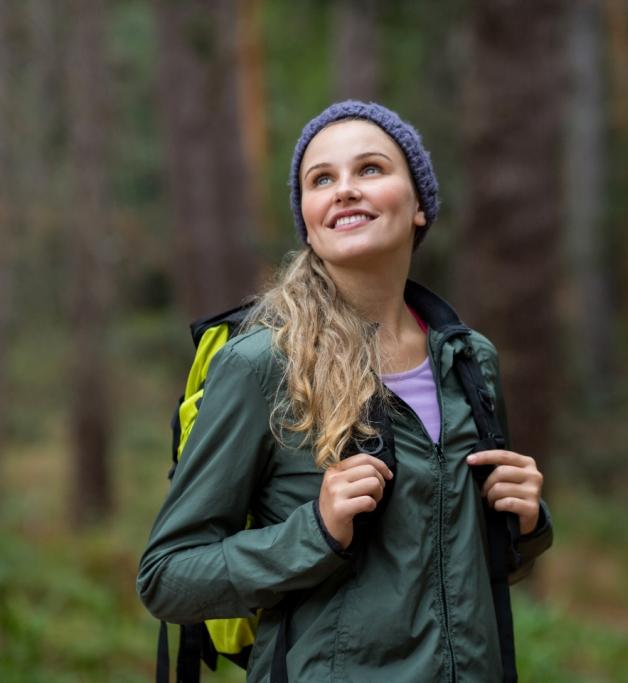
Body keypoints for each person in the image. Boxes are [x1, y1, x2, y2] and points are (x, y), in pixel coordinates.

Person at [138, 101, 552, 682]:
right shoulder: (263, 364)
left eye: (372, 170)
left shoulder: (469, 360)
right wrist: (315, 532)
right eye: (322, 179)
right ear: (307, 220)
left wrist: (526, 524)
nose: (345, 190)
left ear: (419, 207)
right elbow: (167, 577)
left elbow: (457, 572)